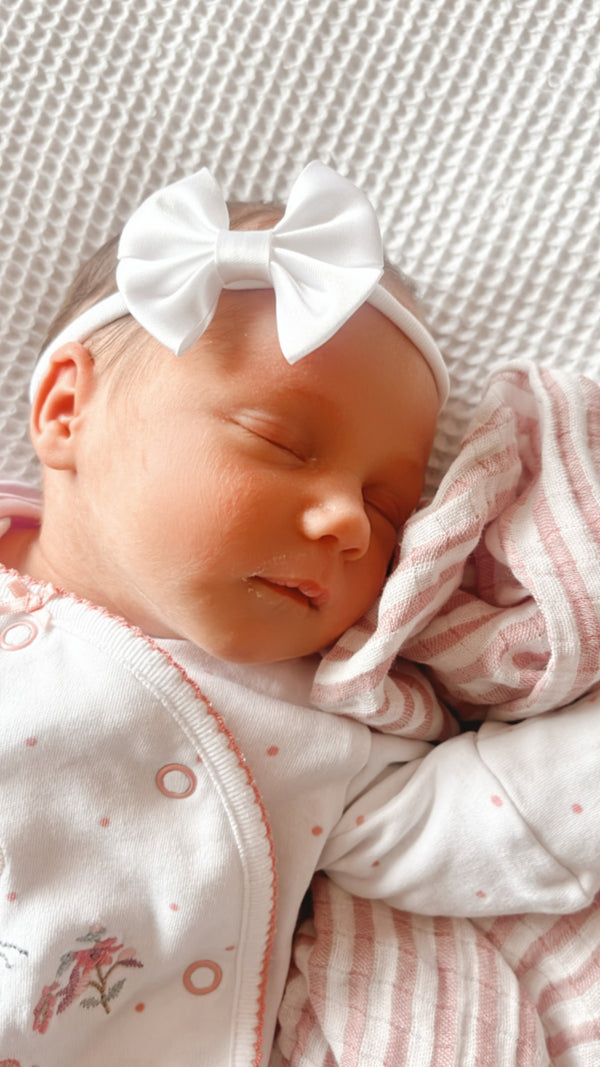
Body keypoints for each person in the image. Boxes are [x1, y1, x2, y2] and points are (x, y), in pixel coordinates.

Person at [1, 162, 599, 1066]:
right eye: (279, 441)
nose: (351, 520)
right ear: (66, 408)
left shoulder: (319, 721)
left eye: (390, 507)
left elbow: (472, 822)